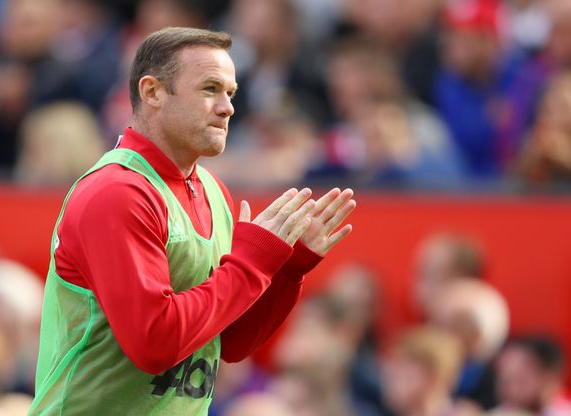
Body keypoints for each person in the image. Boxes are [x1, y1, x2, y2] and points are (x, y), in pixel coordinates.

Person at [29, 27, 356, 415]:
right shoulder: (117, 192)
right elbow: (155, 344)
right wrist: (252, 261)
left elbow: (230, 343)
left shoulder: (213, 191)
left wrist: (285, 270)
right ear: (152, 92)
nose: (228, 107)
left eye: (230, 93)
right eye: (210, 89)